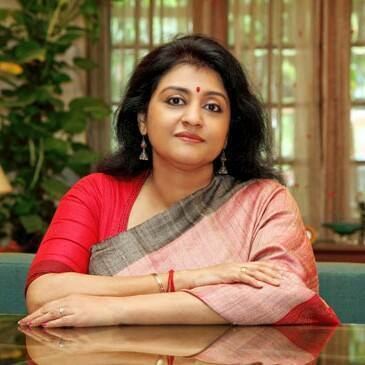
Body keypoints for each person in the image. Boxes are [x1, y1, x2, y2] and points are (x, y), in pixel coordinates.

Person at [19, 34, 339, 328]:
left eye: (213, 107)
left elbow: (283, 296)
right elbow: (44, 294)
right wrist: (187, 279)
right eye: (175, 100)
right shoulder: (96, 194)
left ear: (229, 131)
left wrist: (116, 310)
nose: (193, 118)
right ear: (143, 119)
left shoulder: (264, 201)